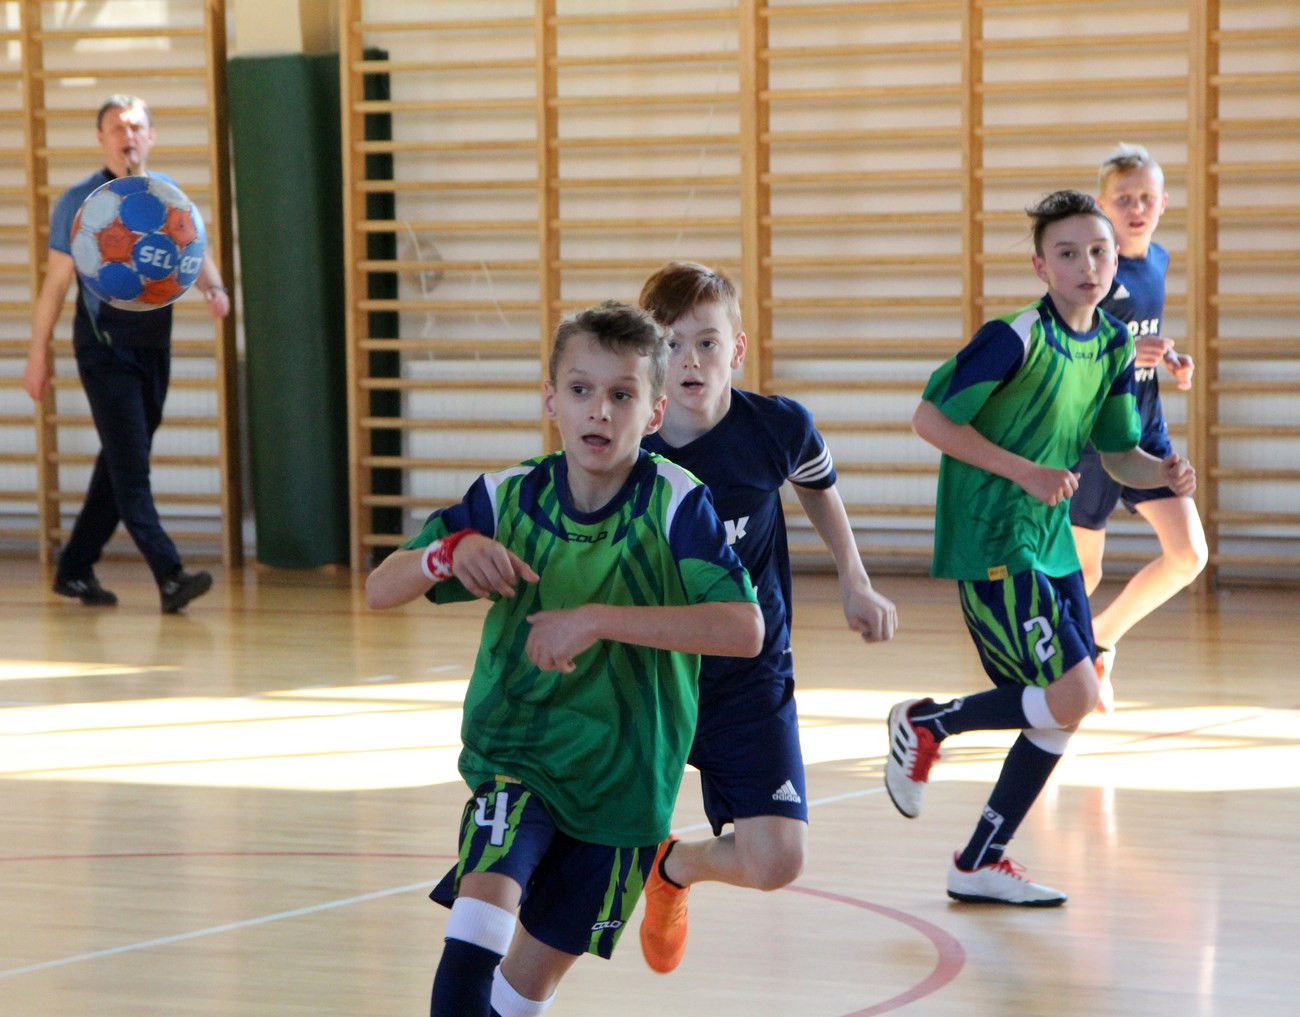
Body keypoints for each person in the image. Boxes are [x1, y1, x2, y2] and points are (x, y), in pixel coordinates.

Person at [365, 301, 763, 1017]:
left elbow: (744, 628)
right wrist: (445, 552)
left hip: (624, 788)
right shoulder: (507, 496)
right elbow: (379, 588)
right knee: (469, 956)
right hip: (518, 759)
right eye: (581, 390)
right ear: (551, 400)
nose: (599, 411)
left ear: (655, 412)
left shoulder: (678, 505)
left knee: (519, 997)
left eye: (622, 394)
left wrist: (596, 620)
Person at [885, 190, 1196, 906]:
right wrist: (1024, 470)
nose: (1087, 265)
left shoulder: (1113, 344)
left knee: (1065, 705)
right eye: (1067, 253)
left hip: (1049, 540)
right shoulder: (1013, 336)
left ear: (1115, 260)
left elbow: (1119, 453)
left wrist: (1163, 472)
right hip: (993, 534)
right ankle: (927, 721)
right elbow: (929, 419)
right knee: (1076, 692)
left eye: (1098, 251)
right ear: (1041, 267)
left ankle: (979, 860)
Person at [635, 261, 898, 972]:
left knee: (777, 858)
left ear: (738, 350)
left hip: (750, 673)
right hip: (651, 675)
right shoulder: (626, 448)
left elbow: (818, 484)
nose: (689, 361)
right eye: (670, 344)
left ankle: (673, 868)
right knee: (583, 847)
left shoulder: (777, 428)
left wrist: (855, 580)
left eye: (707, 343)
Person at [23, 94, 230, 613]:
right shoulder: (80, 202)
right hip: (103, 349)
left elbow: (193, 252)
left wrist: (215, 288)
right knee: (131, 468)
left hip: (152, 348)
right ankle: (169, 575)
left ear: (151, 137)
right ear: (102, 138)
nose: (127, 135)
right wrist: (37, 354)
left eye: (136, 126)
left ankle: (74, 568)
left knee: (119, 462)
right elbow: (55, 284)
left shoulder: (166, 197)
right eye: (117, 127)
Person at [1070, 144, 1208, 711]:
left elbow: (1139, 334)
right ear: (1102, 205)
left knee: (1189, 555)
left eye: (1147, 198)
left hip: (1146, 432)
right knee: (1085, 570)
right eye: (1124, 199)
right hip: (1097, 439)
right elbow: (1077, 352)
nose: (1136, 208)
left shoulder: (1159, 261)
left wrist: (1168, 359)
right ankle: (1052, 673)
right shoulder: (1092, 272)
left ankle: (1100, 640)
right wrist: (1130, 354)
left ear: (1163, 203)